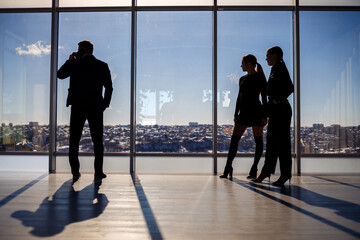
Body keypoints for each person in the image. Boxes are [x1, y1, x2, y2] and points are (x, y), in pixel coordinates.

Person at [57, 40, 113, 182]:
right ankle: (98, 173)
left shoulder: (75, 64)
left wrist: (70, 60)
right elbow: (109, 87)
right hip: (96, 108)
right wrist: (105, 104)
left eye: (79, 49)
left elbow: (60, 74)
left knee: (74, 141)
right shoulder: (101, 65)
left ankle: (75, 172)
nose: (77, 51)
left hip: (78, 106)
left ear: (83, 50)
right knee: (97, 142)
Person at [219, 54, 267, 180]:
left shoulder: (259, 78)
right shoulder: (242, 79)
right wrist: (236, 114)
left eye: (242, 63)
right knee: (234, 141)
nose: (241, 65)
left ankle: (254, 169)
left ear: (249, 63)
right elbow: (239, 98)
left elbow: (263, 98)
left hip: (257, 112)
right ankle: (228, 168)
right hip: (244, 113)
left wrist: (265, 115)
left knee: (258, 141)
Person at [252, 46, 294, 187]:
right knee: (272, 142)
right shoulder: (275, 68)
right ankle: (267, 171)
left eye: (267, 55)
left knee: (281, 143)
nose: (266, 58)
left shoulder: (280, 67)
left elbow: (290, 87)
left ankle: (283, 174)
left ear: (274, 55)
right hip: (277, 110)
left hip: (281, 110)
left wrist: (278, 99)